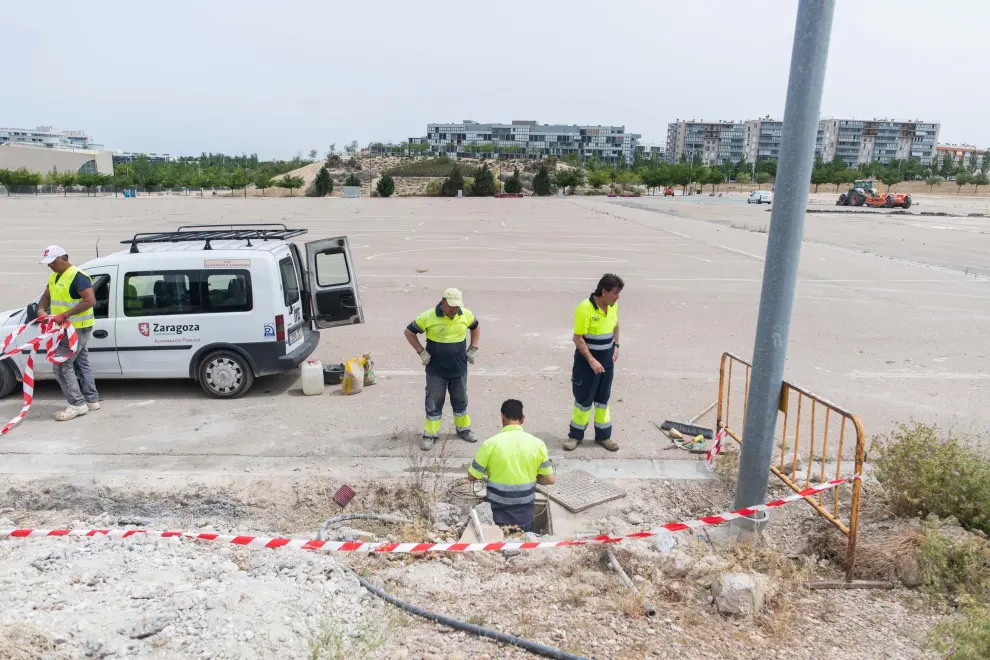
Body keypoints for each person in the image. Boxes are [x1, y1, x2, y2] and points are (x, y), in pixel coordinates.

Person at [404, 288, 480, 450]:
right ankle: (430, 434)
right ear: (443, 301)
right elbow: (409, 332)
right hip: (436, 370)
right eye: (451, 306)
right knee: (434, 401)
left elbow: (475, 327)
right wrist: (421, 352)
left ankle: (464, 430)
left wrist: (473, 348)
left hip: (459, 368)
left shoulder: (465, 314)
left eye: (457, 306)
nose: (454, 310)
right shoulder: (428, 316)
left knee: (460, 400)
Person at [467, 399, 555, 532]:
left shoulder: (489, 444)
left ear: (502, 418)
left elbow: (472, 476)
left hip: (497, 516)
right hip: (524, 516)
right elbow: (550, 479)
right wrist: (531, 475)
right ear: (523, 419)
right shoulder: (538, 444)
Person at [37, 245, 100, 421]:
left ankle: (77, 404)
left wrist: (64, 315)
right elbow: (46, 296)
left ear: (63, 258)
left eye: (52, 262)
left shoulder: (78, 277)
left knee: (61, 366)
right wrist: (42, 309)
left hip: (77, 328)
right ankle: (91, 400)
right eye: (47, 263)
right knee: (81, 362)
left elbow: (90, 300)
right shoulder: (55, 276)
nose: (50, 266)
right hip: (65, 328)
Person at [564, 273, 624, 452]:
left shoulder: (612, 305)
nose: (618, 297)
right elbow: (577, 338)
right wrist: (591, 360)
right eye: (615, 293)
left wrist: (617, 346)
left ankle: (603, 436)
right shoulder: (585, 308)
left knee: (603, 400)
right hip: (587, 363)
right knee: (583, 400)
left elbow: (616, 325)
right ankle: (575, 436)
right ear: (604, 291)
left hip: (607, 361)